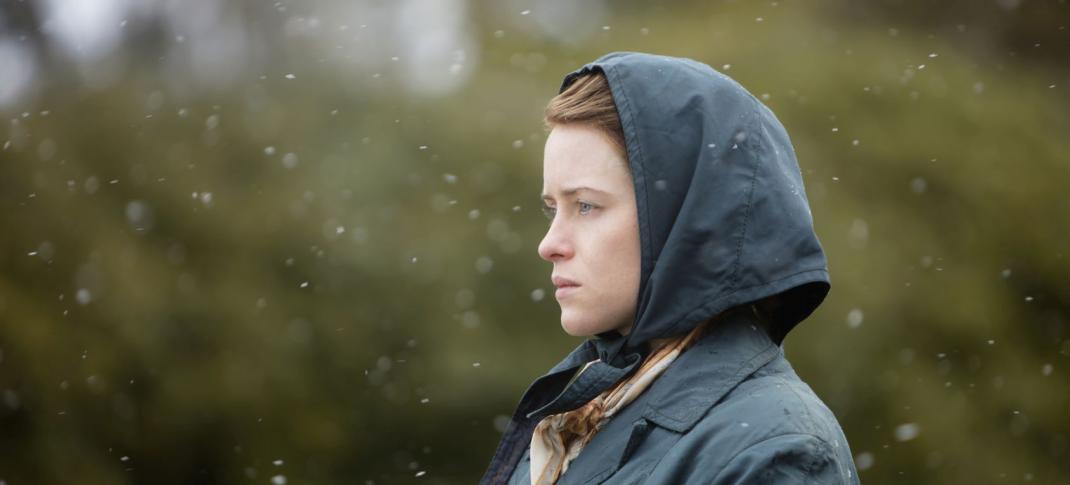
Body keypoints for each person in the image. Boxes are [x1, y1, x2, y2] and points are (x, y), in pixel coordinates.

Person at [480, 52, 860, 484]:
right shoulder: (575, 422)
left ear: (686, 219)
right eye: (554, 209)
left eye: (586, 205)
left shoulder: (774, 449)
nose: (549, 245)